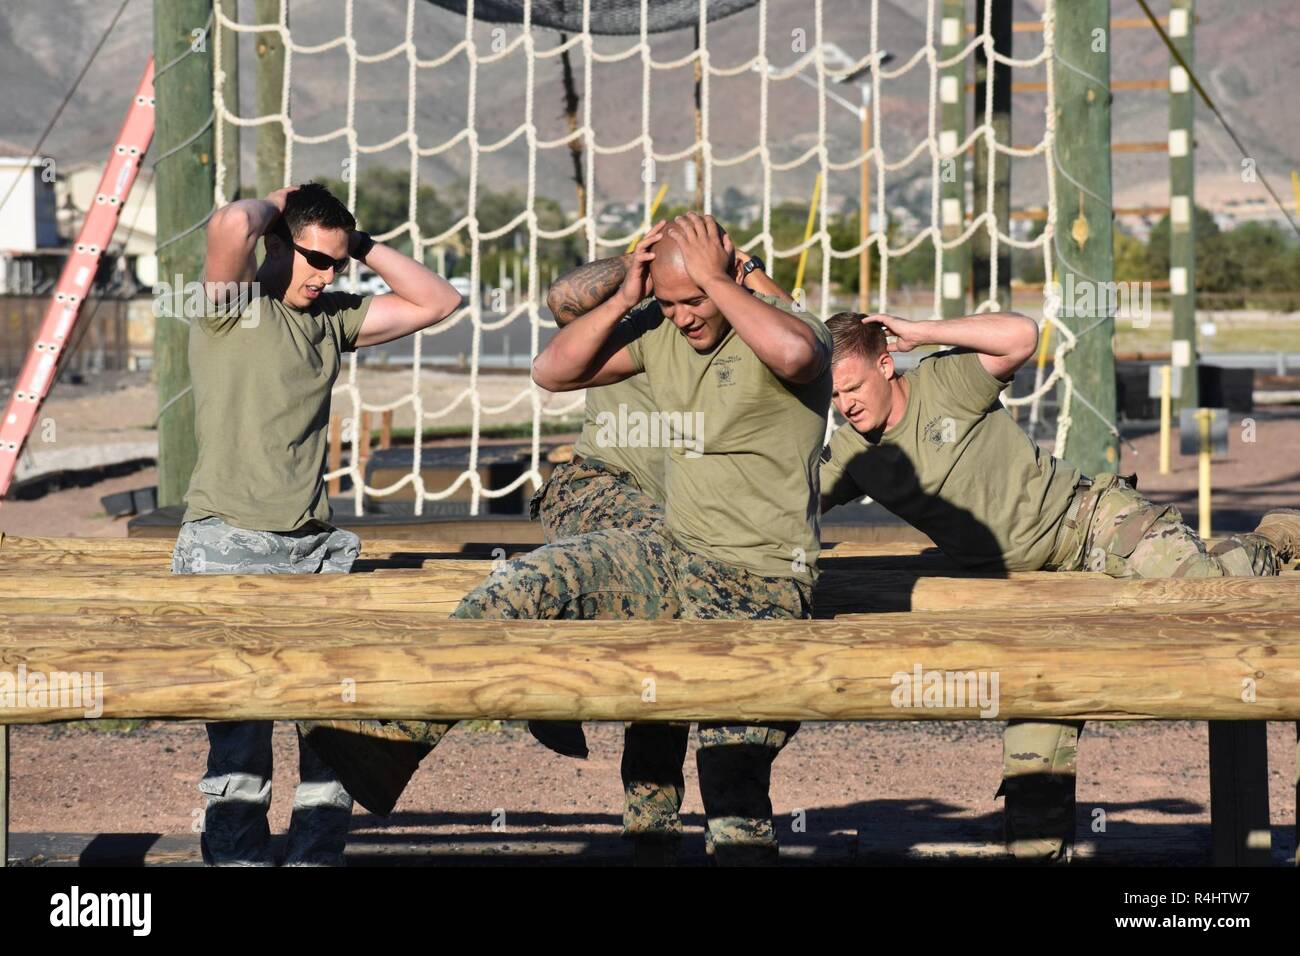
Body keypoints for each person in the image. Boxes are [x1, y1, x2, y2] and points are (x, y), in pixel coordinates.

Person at [304, 212, 832, 865]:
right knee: (524, 585)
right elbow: (552, 371)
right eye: (671, 305)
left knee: (733, 780)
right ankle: (386, 740)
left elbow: (797, 355)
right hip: (674, 553)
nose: (686, 317)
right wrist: (628, 297)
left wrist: (718, 282)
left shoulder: (790, 330)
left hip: (763, 582)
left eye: (694, 302)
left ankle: (728, 842)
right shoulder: (662, 333)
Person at [817, 310, 1300, 862]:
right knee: (1036, 728)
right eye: (833, 396)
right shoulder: (854, 452)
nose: (845, 404)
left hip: (1088, 523)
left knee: (1207, 589)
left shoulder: (942, 381)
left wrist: (923, 332)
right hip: (1025, 589)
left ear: (886, 364)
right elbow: (794, 501)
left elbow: (1022, 335)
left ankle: (1276, 539)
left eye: (852, 387)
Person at [173, 181, 461, 865]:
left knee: (333, 734)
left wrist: (355, 243)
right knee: (240, 742)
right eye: (314, 259)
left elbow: (440, 302)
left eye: (338, 264)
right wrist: (282, 199)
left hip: (313, 553)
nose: (326, 275)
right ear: (278, 243)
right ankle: (238, 860)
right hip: (227, 546)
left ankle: (313, 858)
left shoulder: (332, 318)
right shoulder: (231, 310)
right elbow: (229, 225)